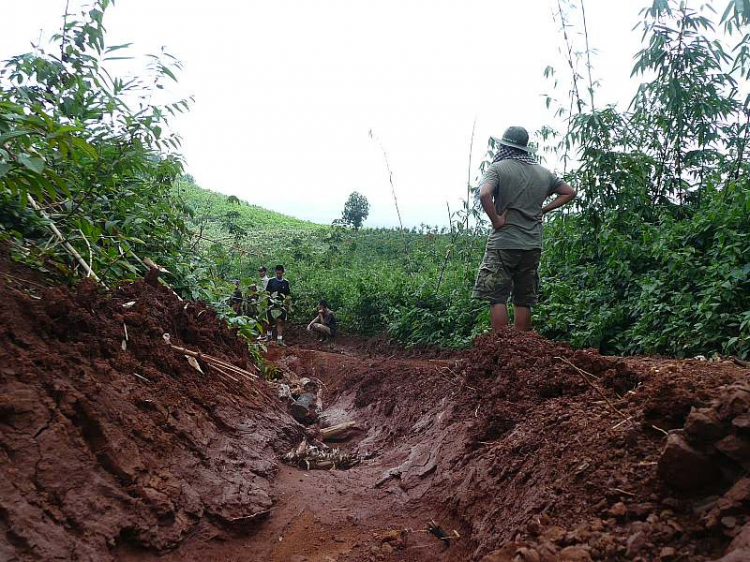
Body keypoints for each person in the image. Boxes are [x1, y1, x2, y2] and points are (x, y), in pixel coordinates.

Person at [472, 126, 576, 332]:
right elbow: (569, 192)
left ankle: (502, 347)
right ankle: (521, 346)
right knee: (523, 298)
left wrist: (496, 220)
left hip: (504, 242)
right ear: (525, 148)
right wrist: (543, 209)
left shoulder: (497, 168)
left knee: (496, 296)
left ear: (504, 145)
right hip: (532, 244)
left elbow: (484, 194)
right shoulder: (543, 172)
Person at [266, 264, 291, 345]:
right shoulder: (271, 281)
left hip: (281, 305)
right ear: (275, 272)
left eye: (280, 273)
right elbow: (267, 293)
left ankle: (279, 339)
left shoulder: (286, 282)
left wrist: (287, 305)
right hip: (271, 304)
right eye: (277, 273)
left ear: (283, 273)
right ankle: (268, 337)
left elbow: (287, 295)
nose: (279, 275)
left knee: (280, 322)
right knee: (270, 322)